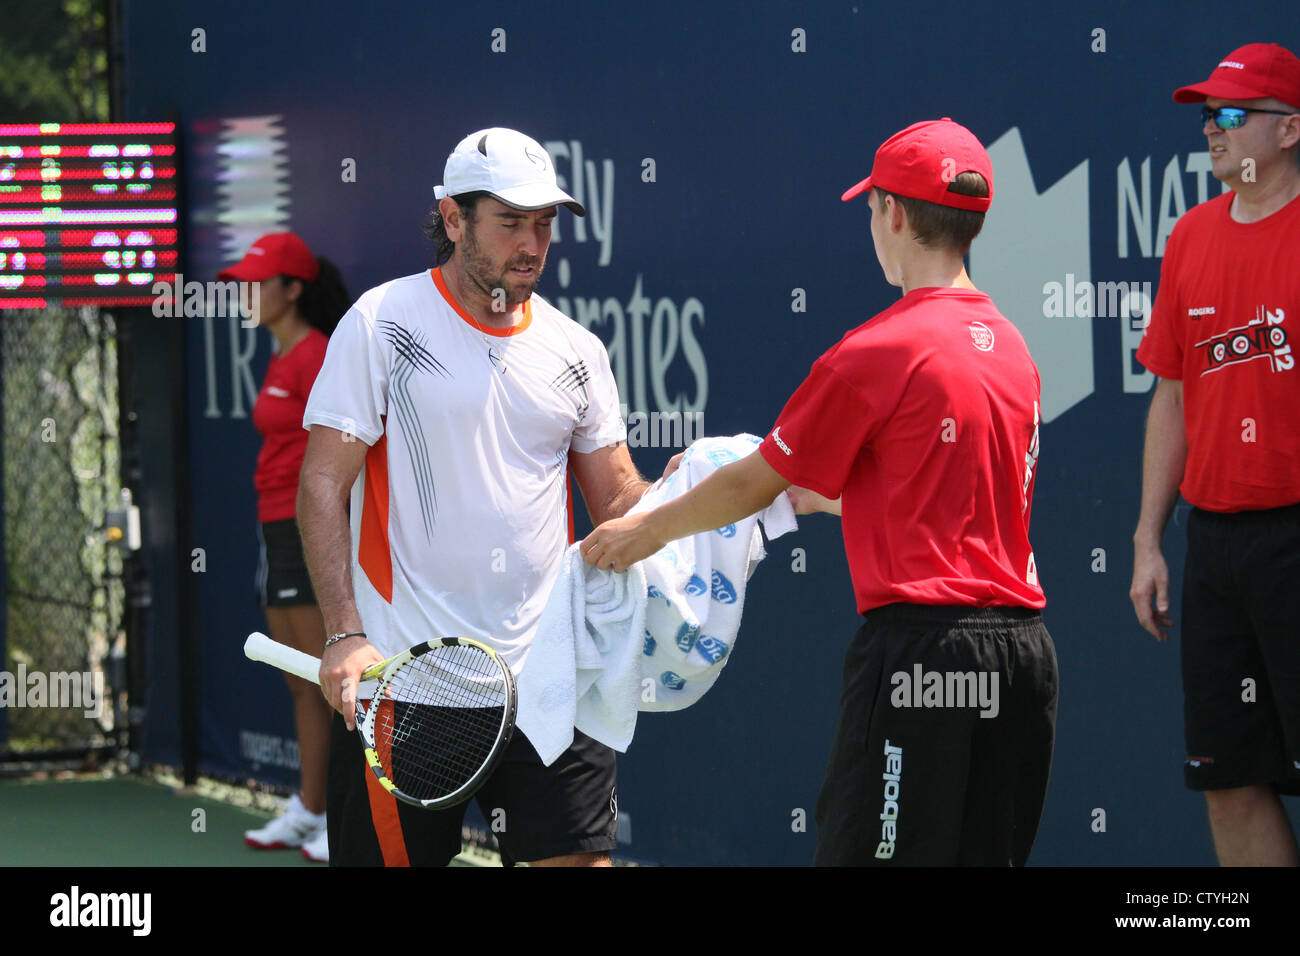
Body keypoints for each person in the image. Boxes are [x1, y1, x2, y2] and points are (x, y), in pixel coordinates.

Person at [582, 118, 1058, 865]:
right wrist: (810, 500)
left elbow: (752, 482)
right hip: (1022, 663)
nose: (873, 221)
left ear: (894, 213)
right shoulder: (1015, 351)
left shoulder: (878, 349)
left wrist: (644, 533)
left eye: (872, 207)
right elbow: (931, 495)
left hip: (922, 660)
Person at [299, 128, 654, 867]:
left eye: (545, 223)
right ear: (454, 219)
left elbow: (618, 500)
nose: (533, 242)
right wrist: (342, 632)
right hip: (404, 687)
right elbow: (323, 484)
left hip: (551, 682)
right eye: (511, 221)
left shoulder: (577, 352)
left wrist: (702, 493)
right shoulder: (381, 324)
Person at [1130, 43, 1300, 866]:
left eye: (1232, 115)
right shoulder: (1190, 237)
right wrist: (1147, 540)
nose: (1213, 130)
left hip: (1297, 534)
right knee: (1228, 778)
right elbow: (1171, 392)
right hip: (1218, 546)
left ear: (1290, 129)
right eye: (1206, 115)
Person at [221, 231, 352, 863]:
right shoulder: (282, 354)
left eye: (258, 281)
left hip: (306, 531)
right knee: (301, 682)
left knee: (328, 679)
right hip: (274, 528)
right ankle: (311, 807)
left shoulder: (319, 355)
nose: (246, 293)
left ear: (293, 289)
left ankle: (343, 818)